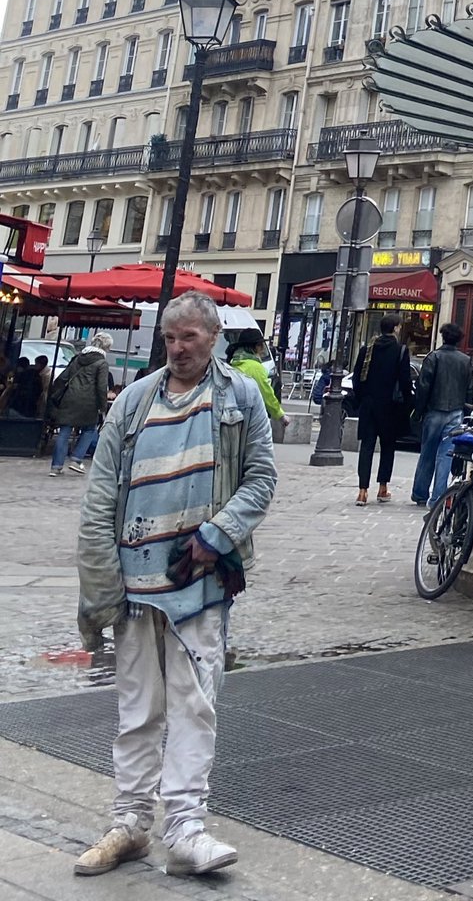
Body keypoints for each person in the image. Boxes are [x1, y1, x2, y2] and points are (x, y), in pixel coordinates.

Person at [74, 290, 275, 878]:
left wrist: (215, 536)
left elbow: (261, 477)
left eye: (189, 337)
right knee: (138, 711)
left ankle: (185, 826)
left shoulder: (239, 397)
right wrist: (100, 587)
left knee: (194, 705)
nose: (178, 348)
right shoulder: (133, 401)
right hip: (135, 589)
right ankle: (130, 824)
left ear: (213, 337)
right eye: (170, 337)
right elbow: (100, 496)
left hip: (199, 585)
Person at [410, 323, 473, 509]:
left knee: (427, 453)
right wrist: (467, 413)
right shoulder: (465, 360)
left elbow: (423, 387)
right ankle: (438, 496)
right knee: (445, 455)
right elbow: (469, 389)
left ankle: (420, 493)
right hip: (455, 410)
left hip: (434, 409)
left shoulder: (434, 357)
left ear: (443, 337)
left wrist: (419, 410)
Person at [351, 314, 412, 506]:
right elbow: (405, 381)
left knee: (367, 447)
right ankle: (383, 487)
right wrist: (409, 403)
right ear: (395, 328)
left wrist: (362, 399)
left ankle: (362, 491)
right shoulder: (400, 350)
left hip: (369, 405)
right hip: (390, 406)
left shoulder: (367, 349)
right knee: (388, 447)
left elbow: (356, 377)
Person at [48, 333, 112, 476]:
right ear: (106, 347)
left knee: (64, 431)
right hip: (88, 402)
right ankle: (76, 459)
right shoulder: (102, 363)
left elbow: (63, 377)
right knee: (89, 429)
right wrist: (103, 407)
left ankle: (56, 466)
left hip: (69, 398)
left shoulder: (77, 358)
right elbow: (101, 387)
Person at [227, 330, 289, 429]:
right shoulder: (255, 367)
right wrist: (280, 415)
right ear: (256, 347)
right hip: (249, 419)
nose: (262, 350)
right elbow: (266, 393)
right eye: (261, 346)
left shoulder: (232, 363)